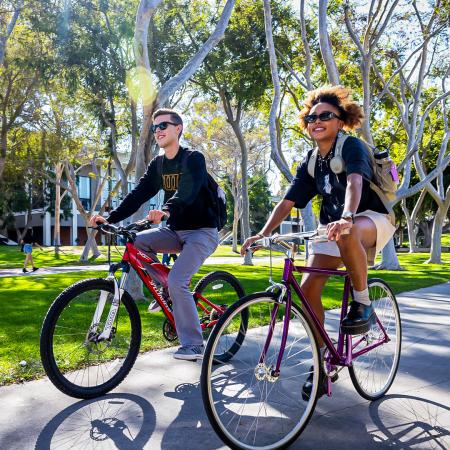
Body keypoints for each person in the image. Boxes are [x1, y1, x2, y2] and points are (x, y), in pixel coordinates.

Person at [241, 85, 396, 398]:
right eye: (312, 117)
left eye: (326, 115)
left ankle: (363, 302)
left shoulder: (350, 146)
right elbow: (288, 202)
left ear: (340, 121)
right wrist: (263, 232)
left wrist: (348, 216)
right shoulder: (311, 161)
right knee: (308, 289)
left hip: (368, 217)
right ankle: (323, 360)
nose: (317, 121)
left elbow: (354, 183)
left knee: (347, 232)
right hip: (334, 226)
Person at [90, 108, 219, 361]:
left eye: (163, 126)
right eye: (154, 128)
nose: (158, 131)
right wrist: (110, 217)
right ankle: (167, 290)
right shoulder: (158, 164)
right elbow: (138, 194)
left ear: (178, 128)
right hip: (173, 230)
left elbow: (189, 191)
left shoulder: (193, 158)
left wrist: (166, 210)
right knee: (136, 242)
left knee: (178, 280)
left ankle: (194, 344)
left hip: (202, 232)